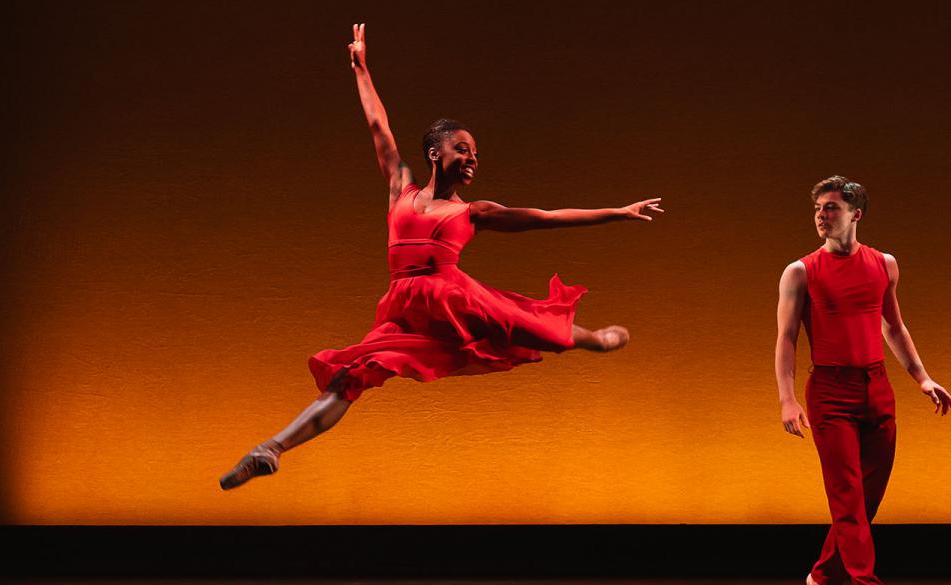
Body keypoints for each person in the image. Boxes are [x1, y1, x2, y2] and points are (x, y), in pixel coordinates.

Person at [219, 24, 663, 491]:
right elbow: (378, 127)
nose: (472, 158)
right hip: (403, 310)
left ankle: (592, 338)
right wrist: (360, 67)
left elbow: (543, 216)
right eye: (462, 149)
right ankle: (268, 450)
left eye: (475, 153)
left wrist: (616, 211)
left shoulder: (472, 212)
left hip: (454, 296)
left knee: (527, 324)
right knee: (350, 377)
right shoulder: (401, 190)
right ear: (435, 153)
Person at [774, 176, 951, 585]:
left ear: (856, 214)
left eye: (832, 207)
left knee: (864, 497)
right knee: (847, 497)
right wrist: (787, 399)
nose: (822, 215)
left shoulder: (884, 264)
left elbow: (894, 327)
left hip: (877, 387)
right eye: (819, 208)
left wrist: (921, 378)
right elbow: (786, 339)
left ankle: (822, 574)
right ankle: (862, 580)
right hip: (830, 392)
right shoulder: (800, 271)